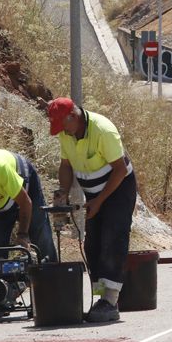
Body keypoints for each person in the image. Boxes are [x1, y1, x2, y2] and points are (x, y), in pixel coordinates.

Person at [47, 97, 137, 323]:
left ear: (74, 117)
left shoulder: (103, 130)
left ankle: (111, 300)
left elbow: (119, 170)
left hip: (118, 188)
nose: (62, 132)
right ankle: (100, 299)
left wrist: (100, 201)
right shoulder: (66, 133)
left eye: (63, 125)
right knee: (92, 243)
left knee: (112, 238)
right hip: (94, 193)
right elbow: (66, 166)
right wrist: (63, 192)